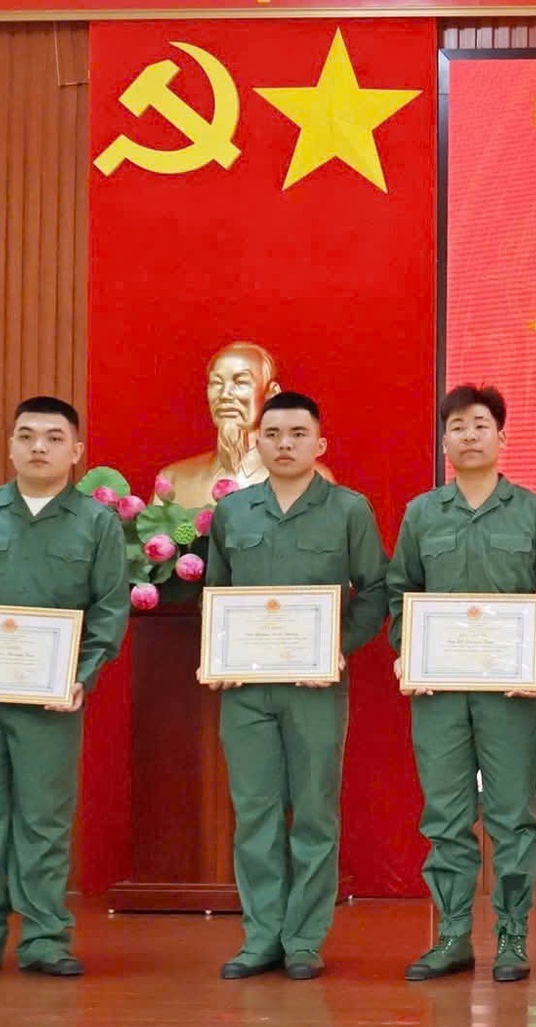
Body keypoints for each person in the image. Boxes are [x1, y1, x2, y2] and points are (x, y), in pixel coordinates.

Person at [0, 396, 130, 979]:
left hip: (49, 701)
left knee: (43, 820)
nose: (39, 447)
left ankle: (43, 939)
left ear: (76, 451)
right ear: (10, 446)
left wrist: (81, 675)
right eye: (27, 436)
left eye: (54, 438)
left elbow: (110, 609)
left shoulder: (97, 524)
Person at [387, 385, 536, 983]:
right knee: (445, 816)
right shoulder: (422, 513)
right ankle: (451, 935)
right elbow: (400, 592)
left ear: (502, 437)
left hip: (509, 694)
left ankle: (512, 936)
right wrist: (408, 652)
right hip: (438, 694)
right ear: (444, 441)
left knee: (512, 815)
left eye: (480, 425)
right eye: (458, 427)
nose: (469, 436)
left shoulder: (535, 512)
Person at [201, 391, 388, 981]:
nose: (285, 444)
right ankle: (261, 937)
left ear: (320, 443)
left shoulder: (349, 510)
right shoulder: (233, 513)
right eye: (274, 434)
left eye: (298, 434)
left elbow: (377, 590)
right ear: (256, 442)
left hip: (314, 687)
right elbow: (217, 595)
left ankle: (304, 939)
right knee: (254, 813)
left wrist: (338, 646)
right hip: (247, 690)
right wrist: (222, 653)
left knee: (313, 813)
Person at [158, 342, 335, 508]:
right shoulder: (174, 481)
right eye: (216, 383)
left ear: (271, 394)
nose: (225, 394)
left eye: (240, 382)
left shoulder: (312, 481)